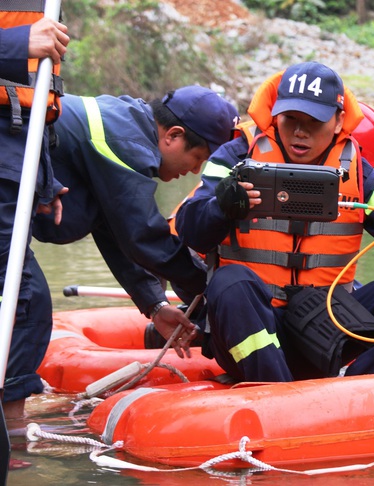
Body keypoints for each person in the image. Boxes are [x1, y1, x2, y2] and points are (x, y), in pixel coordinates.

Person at [175, 61, 374, 382]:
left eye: (313, 121)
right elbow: (190, 230)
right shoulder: (235, 156)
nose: (300, 132)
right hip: (253, 330)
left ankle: (364, 386)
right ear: (275, 115)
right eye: (291, 120)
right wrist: (222, 205)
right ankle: (273, 389)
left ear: (338, 121)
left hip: (325, 330)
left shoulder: (361, 173)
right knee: (230, 281)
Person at [32, 86, 240, 357]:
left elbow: (114, 231)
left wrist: (155, 304)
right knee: (28, 307)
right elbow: (143, 236)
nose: (195, 170)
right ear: (173, 136)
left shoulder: (125, 124)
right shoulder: (125, 143)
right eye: (198, 158)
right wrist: (217, 289)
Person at [0, 9, 69, 471]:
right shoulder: (29, 28)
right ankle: (10, 426)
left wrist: (44, 181)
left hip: (14, 164)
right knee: (20, 298)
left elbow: (33, 99)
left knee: (28, 300)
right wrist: (18, 41)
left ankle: (11, 425)